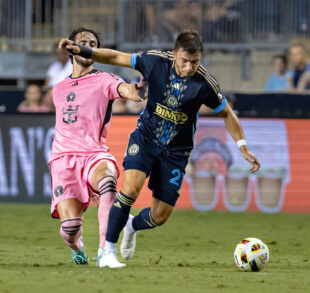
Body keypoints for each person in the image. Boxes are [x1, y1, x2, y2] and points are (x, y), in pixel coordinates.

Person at [59, 29, 260, 268]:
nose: (189, 67)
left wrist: (242, 147)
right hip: (145, 139)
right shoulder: (154, 61)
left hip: (176, 153)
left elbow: (227, 113)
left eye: (195, 62)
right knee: (130, 189)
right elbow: (115, 57)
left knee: (160, 216)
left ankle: (132, 226)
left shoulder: (205, 83)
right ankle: (108, 252)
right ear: (174, 54)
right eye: (185, 61)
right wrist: (81, 50)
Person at [52, 27, 146, 267]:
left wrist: (137, 91)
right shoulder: (58, 88)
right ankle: (78, 247)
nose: (88, 45)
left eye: (93, 43)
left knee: (108, 181)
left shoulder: (106, 79)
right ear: (73, 48)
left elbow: (126, 90)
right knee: (70, 229)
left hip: (94, 154)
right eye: (83, 41)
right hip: (63, 160)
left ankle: (106, 251)